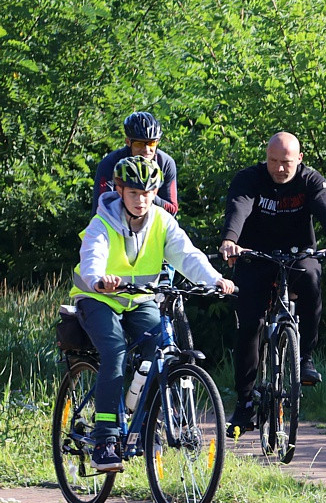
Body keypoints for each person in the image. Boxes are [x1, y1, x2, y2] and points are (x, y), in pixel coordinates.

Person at [71, 155, 235, 472]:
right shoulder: (102, 222)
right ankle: (105, 439)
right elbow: (93, 256)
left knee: (160, 347)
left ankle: (146, 423)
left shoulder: (162, 221)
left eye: (147, 193)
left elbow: (187, 255)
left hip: (139, 299)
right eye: (134, 192)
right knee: (115, 352)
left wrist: (214, 280)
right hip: (97, 297)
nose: (141, 200)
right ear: (120, 190)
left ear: (155, 192)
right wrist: (99, 279)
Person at [219, 131, 326, 435]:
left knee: (312, 279)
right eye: (273, 161)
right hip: (255, 255)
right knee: (250, 324)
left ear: (299, 159)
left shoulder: (311, 180)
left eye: (286, 163)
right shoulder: (249, 178)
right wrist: (230, 240)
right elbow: (239, 206)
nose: (278, 168)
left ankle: (304, 357)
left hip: (298, 254)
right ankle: (245, 401)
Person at [92, 112, 179, 215]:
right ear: (128, 142)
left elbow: (172, 209)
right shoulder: (109, 163)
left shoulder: (166, 163)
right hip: (117, 219)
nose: (146, 150)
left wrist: (149, 194)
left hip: (154, 219)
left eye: (151, 143)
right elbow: (100, 207)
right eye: (139, 144)